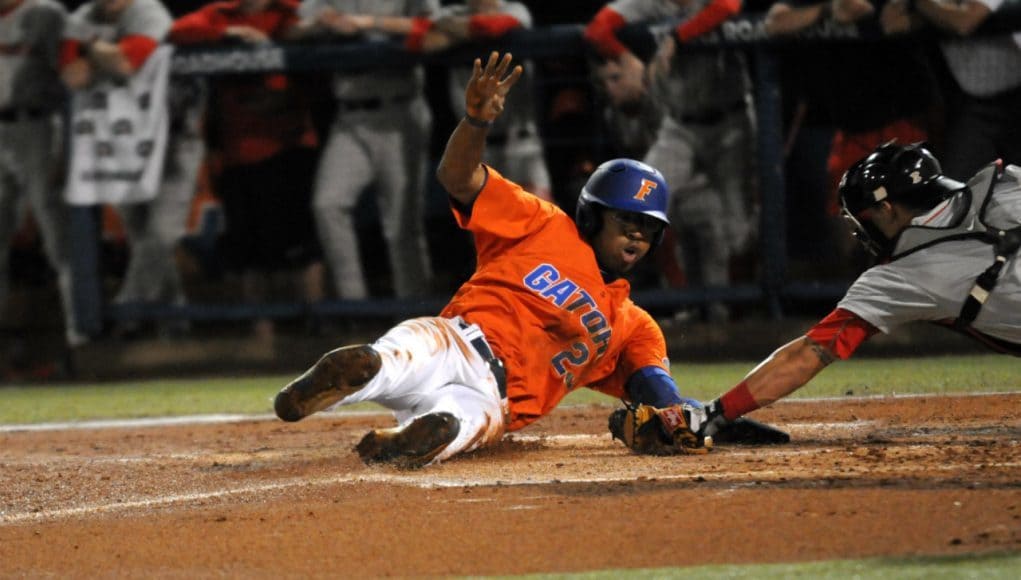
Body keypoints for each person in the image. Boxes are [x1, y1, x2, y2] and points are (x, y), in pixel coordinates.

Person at [272, 52, 707, 467]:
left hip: (495, 399)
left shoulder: (634, 326)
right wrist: (476, 121)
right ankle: (355, 373)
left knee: (458, 425)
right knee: (392, 360)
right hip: (454, 341)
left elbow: (658, 390)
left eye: (649, 227)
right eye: (626, 219)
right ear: (593, 215)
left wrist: (700, 419)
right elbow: (457, 177)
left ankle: (408, 438)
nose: (637, 233)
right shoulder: (542, 223)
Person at [701, 142, 1021, 439]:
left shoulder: (899, 276)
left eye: (867, 216)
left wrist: (716, 412)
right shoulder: (1005, 183)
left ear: (887, 209)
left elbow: (806, 355)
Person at [584, 0, 758, 322]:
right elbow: (598, 28)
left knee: (739, 227)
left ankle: (744, 314)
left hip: (731, 121)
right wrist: (626, 57)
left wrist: (678, 38)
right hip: (679, 126)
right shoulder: (649, 4)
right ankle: (607, 307)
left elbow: (728, 6)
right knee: (635, 201)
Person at [169, 0, 325, 345]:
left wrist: (297, 33)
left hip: (289, 147)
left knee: (302, 248)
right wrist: (227, 32)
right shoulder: (223, 14)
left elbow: (321, 27)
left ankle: (319, 329)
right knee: (248, 252)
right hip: (237, 151)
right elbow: (178, 30)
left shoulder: (289, 12)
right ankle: (262, 333)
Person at [764, 0, 935, 270]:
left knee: (913, 228)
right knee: (847, 227)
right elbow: (775, 23)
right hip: (852, 127)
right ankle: (861, 300)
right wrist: (824, 11)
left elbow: (868, 11)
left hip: (900, 120)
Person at [291, 0, 438, 300]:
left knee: (401, 225)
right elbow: (294, 27)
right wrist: (325, 19)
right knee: (327, 204)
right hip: (349, 115)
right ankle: (354, 305)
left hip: (398, 109)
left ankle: (415, 316)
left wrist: (370, 23)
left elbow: (435, 26)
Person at [59, 0, 184, 339]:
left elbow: (127, 62)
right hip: (122, 140)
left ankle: (124, 312)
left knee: (162, 234)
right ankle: (176, 319)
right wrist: (103, 53)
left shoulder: (148, 11)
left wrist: (90, 45)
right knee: (142, 237)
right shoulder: (83, 17)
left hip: (176, 134)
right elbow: (74, 76)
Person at [0, 0, 81, 370]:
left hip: (39, 126)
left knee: (60, 241)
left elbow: (73, 77)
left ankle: (80, 339)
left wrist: (65, 149)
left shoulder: (46, 14)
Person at [880, 0, 1021, 180]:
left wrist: (925, 11)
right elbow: (893, 24)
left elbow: (965, 22)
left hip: (1015, 98)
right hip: (974, 106)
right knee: (960, 187)